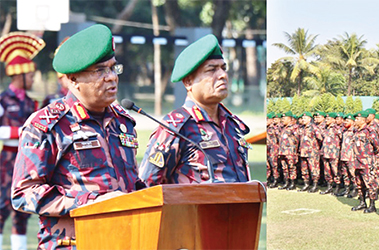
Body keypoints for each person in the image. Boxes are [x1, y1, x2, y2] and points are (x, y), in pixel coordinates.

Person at [11, 24, 145, 250]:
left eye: (114, 68)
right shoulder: (49, 125)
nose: (111, 77)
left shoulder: (123, 122)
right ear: (73, 80)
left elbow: (132, 184)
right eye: (100, 71)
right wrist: (90, 202)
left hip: (124, 240)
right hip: (74, 243)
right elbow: (23, 192)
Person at [139, 34, 250, 185]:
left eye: (224, 68)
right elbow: (147, 187)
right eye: (211, 70)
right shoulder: (175, 128)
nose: (223, 75)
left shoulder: (232, 124)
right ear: (188, 82)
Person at [0, 31, 45, 250]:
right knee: (0, 210)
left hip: (26, 161)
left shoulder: (32, 104)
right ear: (19, 75)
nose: (32, 79)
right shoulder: (2, 101)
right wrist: (21, 131)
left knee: (22, 212)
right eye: (30, 75)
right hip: (6, 161)